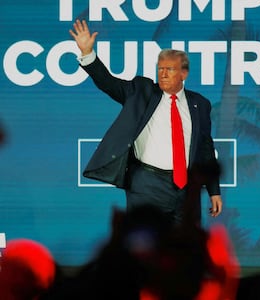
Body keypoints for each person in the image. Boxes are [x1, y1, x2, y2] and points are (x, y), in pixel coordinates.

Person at [69, 19, 222, 225]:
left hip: (187, 188)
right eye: (160, 69)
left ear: (184, 74)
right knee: (145, 247)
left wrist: (214, 191)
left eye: (170, 69)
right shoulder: (141, 91)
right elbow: (108, 83)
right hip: (147, 184)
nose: (163, 74)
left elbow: (205, 149)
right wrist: (88, 54)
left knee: (185, 250)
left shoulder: (200, 104)